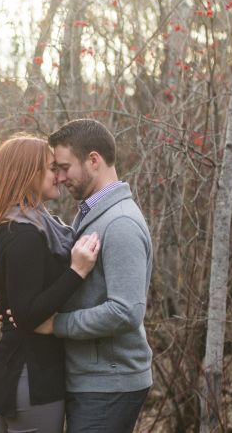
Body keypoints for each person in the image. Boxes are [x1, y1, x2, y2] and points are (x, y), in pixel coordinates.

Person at [33, 118, 154, 432]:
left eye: (63, 167)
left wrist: (57, 324)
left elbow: (126, 311)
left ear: (94, 160)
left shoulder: (120, 223)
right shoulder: (92, 214)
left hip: (109, 384)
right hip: (92, 379)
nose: (58, 178)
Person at [0, 135, 101, 433]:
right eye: (51, 169)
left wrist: (2, 300)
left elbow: (18, 296)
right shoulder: (24, 233)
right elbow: (28, 314)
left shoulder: (15, 224)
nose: (59, 177)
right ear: (28, 174)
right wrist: (76, 271)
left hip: (19, 372)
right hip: (31, 377)